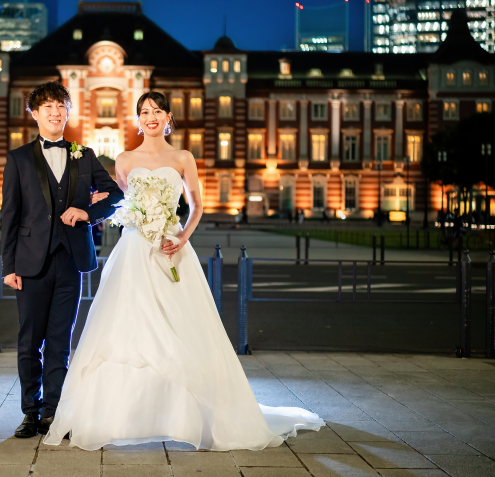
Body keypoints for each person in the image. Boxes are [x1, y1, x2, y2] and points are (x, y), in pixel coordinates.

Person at [42, 91, 324, 451]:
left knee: (182, 327)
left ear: (169, 117)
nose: (151, 117)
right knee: (127, 326)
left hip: (172, 249)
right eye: (144, 112)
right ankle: (117, 415)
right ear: (137, 119)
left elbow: (197, 203)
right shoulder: (125, 160)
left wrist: (181, 236)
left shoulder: (182, 157)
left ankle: (192, 414)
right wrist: (115, 212)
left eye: (157, 111)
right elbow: (124, 202)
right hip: (133, 250)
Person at [0, 80, 124, 439]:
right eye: (48, 108)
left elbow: (115, 194)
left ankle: (53, 412)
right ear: (35, 114)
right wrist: (9, 267)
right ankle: (30, 411)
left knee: (60, 339)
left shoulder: (83, 154)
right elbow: (10, 215)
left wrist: (85, 210)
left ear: (68, 113)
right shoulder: (19, 158)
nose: (55, 113)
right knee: (29, 341)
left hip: (71, 260)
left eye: (61, 107)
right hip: (29, 263)